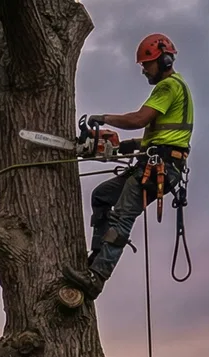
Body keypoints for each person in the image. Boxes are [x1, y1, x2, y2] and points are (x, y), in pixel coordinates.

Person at [67, 33, 194, 299]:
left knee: (123, 215)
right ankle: (96, 255)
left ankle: (96, 277)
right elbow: (154, 136)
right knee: (101, 196)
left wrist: (104, 118)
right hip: (155, 160)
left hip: (161, 166)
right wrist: (123, 146)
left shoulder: (168, 87)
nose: (144, 70)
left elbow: (139, 119)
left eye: (147, 64)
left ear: (165, 59)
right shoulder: (176, 88)